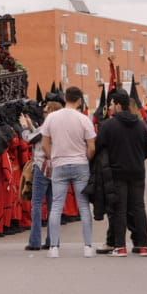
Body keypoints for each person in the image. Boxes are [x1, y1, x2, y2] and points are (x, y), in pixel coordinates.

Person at [41, 86, 97, 258]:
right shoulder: (84, 119)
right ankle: (88, 246)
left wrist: (53, 158)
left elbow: (44, 143)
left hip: (59, 164)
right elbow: (92, 146)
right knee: (84, 206)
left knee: (56, 206)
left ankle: (54, 247)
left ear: (65, 98)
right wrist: (86, 158)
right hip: (80, 163)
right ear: (79, 100)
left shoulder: (51, 118)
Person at [97, 91, 147, 256]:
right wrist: (137, 159)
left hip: (117, 171)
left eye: (113, 104)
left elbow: (100, 146)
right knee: (138, 207)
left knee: (119, 208)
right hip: (137, 171)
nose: (111, 107)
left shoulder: (108, 125)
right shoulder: (141, 124)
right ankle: (143, 245)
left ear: (119, 105)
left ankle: (120, 246)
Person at [22, 99, 60, 251]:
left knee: (36, 204)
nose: (44, 112)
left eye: (46, 110)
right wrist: (32, 126)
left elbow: (29, 138)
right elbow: (37, 136)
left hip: (42, 166)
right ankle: (52, 240)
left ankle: (35, 241)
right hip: (56, 168)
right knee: (53, 205)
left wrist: (24, 127)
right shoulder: (59, 127)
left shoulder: (47, 126)